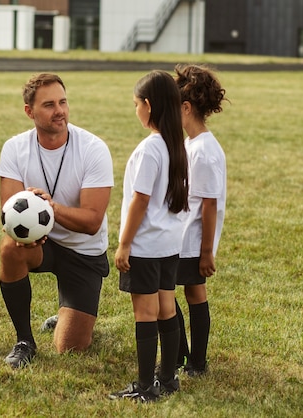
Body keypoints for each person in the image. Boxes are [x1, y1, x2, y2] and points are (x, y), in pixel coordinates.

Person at [0, 73, 113, 369]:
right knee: (10, 246)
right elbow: (8, 211)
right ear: (29, 111)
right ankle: (24, 341)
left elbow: (92, 221)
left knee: (70, 348)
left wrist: (49, 208)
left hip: (83, 250)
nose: (59, 110)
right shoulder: (15, 148)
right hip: (40, 245)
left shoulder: (93, 148)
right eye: (49, 105)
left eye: (63, 102)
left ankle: (70, 316)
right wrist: (27, 230)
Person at [109, 70, 189, 402]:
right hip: (169, 244)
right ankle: (168, 379)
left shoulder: (149, 149)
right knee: (166, 307)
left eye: (135, 105)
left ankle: (144, 388)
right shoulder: (177, 145)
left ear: (147, 105)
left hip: (144, 246)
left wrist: (124, 243)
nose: (136, 111)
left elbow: (140, 200)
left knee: (144, 313)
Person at [173, 64, 227, 376]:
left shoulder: (204, 151)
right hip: (184, 237)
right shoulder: (191, 144)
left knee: (173, 291)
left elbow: (209, 205)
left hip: (192, 241)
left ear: (186, 107)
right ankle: (190, 360)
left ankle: (191, 360)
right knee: (187, 293)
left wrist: (207, 252)